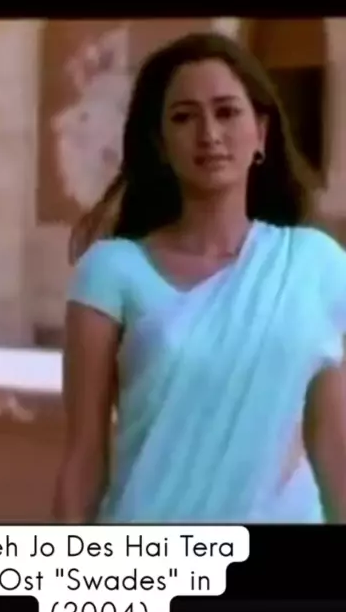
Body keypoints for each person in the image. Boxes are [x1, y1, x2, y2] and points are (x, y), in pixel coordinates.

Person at [53, 31, 346, 524]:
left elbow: (334, 444)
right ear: (161, 143)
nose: (209, 133)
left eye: (227, 112)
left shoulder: (316, 265)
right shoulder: (111, 272)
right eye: (184, 117)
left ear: (261, 133)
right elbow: (84, 459)